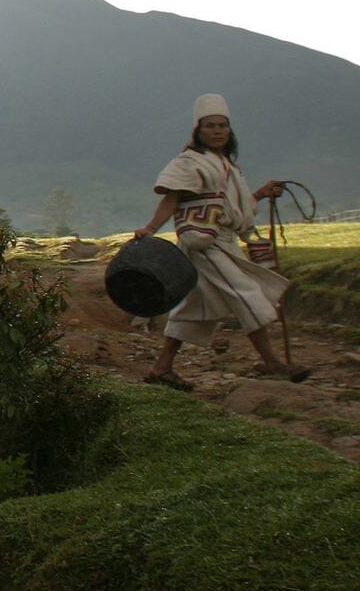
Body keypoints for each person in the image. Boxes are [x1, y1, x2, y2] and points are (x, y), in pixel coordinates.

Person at [131, 93, 309, 389]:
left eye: (222, 126)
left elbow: (235, 211)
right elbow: (173, 197)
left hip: (223, 242)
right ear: (198, 131)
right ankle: (273, 363)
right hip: (202, 242)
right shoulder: (190, 162)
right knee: (246, 294)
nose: (217, 131)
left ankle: (161, 368)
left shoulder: (229, 167)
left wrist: (262, 193)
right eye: (211, 126)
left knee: (194, 305)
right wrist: (151, 227)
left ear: (230, 131)